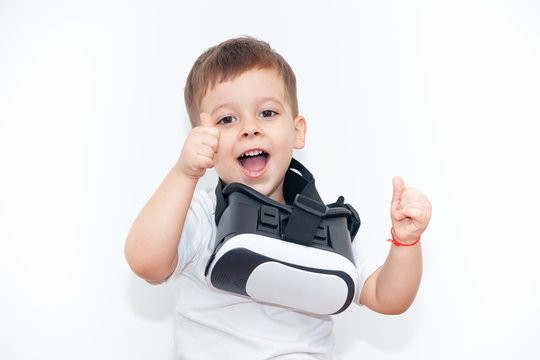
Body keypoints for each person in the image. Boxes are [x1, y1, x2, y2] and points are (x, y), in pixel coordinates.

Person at [125, 37, 432, 359]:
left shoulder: (328, 227)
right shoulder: (201, 214)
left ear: (297, 131)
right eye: (227, 119)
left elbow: (388, 298)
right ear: (203, 140)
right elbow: (147, 263)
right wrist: (183, 174)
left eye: (267, 112)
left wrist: (406, 242)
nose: (249, 128)